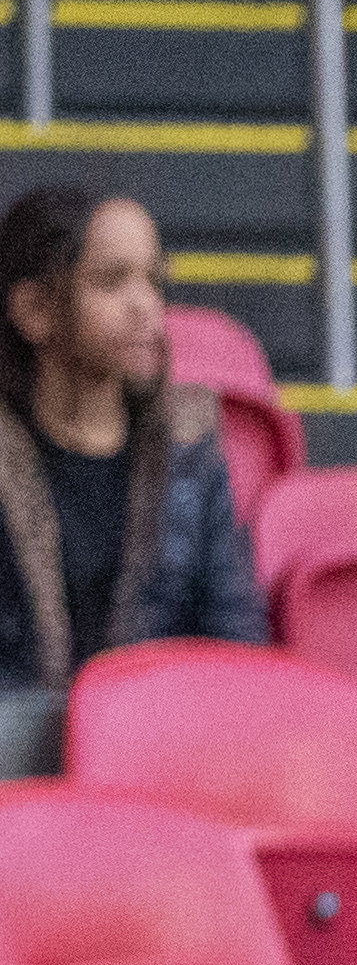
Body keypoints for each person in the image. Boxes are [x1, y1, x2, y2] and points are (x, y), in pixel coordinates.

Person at [0, 185, 263, 686]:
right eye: (111, 281)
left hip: (160, 727)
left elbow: (236, 640)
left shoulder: (189, 446)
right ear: (35, 310)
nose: (146, 306)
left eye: (153, 281)